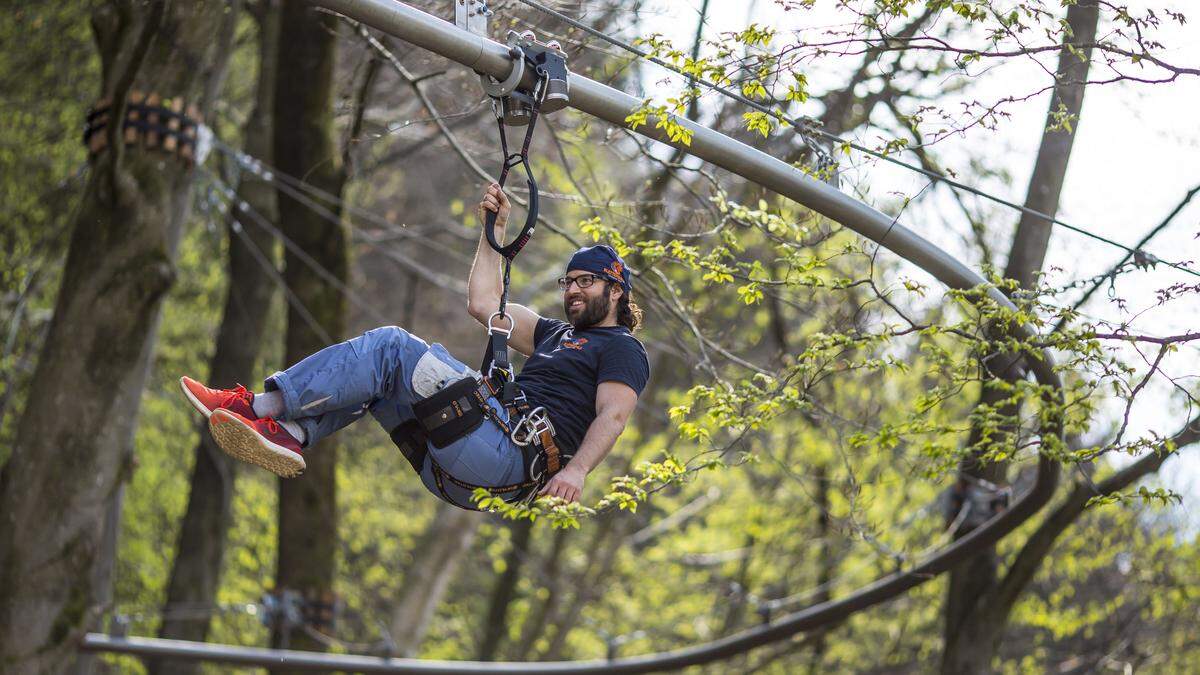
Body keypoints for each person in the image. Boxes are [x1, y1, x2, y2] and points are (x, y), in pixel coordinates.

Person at [181, 183, 650, 507]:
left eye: (585, 282)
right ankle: (291, 434)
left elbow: (613, 416)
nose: (572, 291)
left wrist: (578, 471)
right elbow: (484, 302)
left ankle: (259, 407)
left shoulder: (622, 349)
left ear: (615, 291)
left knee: (391, 347)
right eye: (567, 281)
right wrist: (494, 232)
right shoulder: (553, 334)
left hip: (506, 456)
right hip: (459, 466)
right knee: (381, 382)